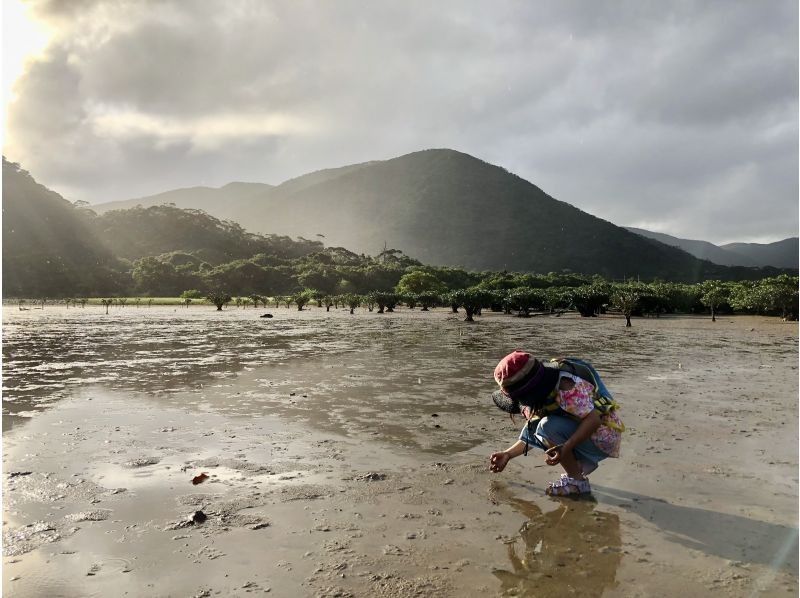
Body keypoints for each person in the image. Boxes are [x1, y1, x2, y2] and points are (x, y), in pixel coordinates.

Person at [488, 350, 622, 496]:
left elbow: (594, 420)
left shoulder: (567, 387)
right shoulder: (542, 392)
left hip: (604, 435)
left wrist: (566, 446)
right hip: (586, 430)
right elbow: (533, 430)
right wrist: (508, 454)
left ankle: (577, 482)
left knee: (547, 426)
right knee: (542, 425)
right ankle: (575, 468)